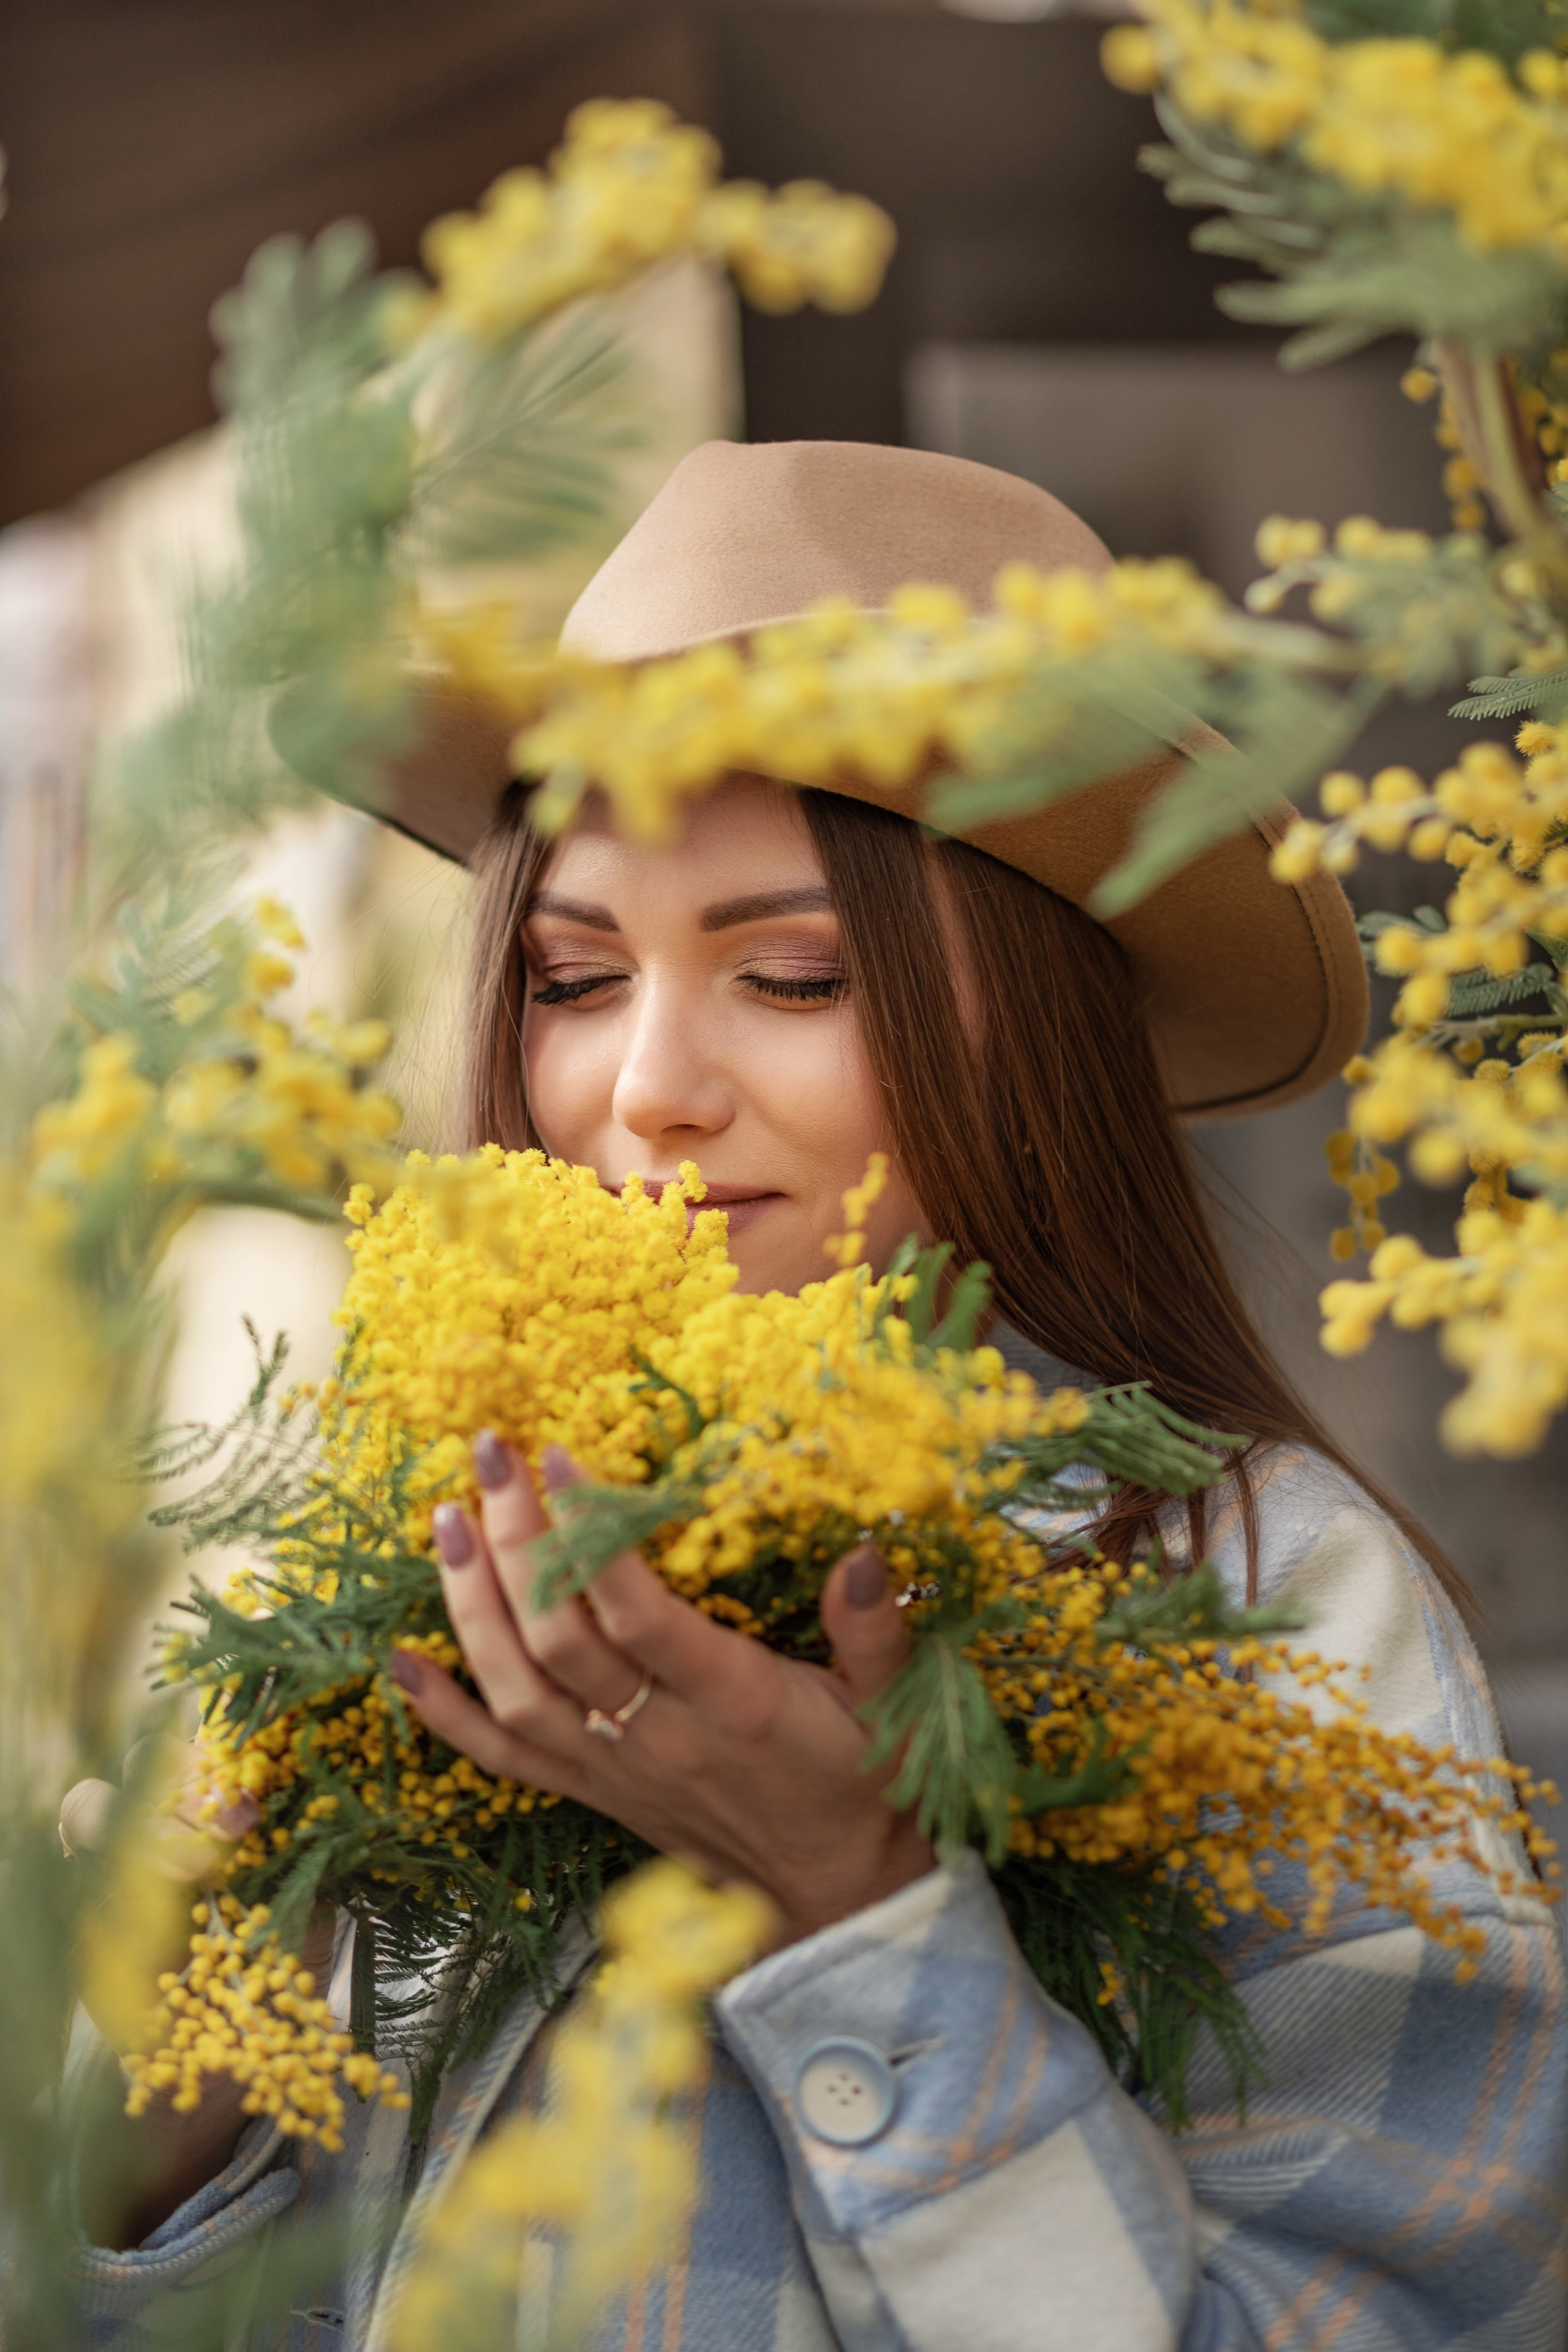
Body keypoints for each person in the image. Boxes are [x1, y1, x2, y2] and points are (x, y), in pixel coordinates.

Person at [67, 443, 1567, 2350]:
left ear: (1029, 1042)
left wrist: (859, 1913)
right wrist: (180, 2057)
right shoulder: (414, 1547)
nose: (646, 1090)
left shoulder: (1267, 1597)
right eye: (571, 977)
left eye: (787, 977)